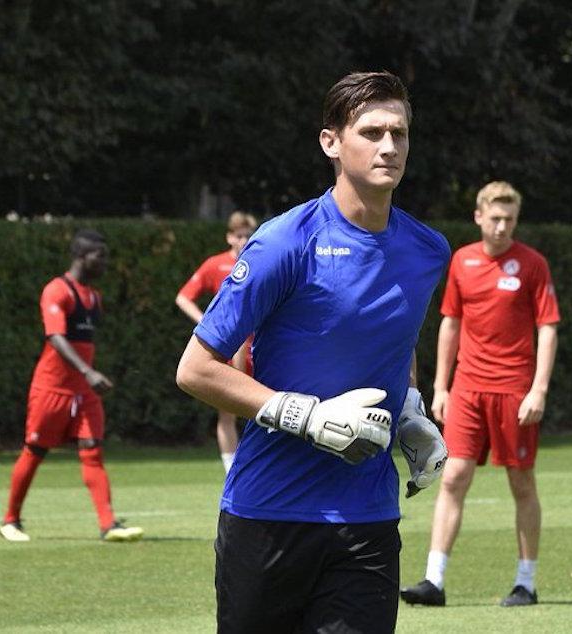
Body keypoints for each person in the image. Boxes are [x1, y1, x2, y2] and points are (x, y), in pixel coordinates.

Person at [175, 70, 449, 633]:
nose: (389, 146)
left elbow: (396, 340)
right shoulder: (284, 242)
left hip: (369, 519)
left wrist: (409, 408)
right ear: (331, 142)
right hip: (268, 515)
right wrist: (305, 415)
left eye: (399, 133)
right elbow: (196, 369)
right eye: (371, 132)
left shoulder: (428, 250)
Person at [401, 181, 560, 608]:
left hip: (515, 390)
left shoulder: (533, 264)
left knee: (521, 481)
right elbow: (451, 323)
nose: (502, 226)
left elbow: (547, 328)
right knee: (453, 476)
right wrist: (441, 387)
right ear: (478, 217)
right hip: (468, 389)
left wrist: (539, 389)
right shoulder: (462, 260)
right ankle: (433, 581)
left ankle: (526, 583)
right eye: (495, 218)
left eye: (510, 219)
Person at [0, 229, 143, 543]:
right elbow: (55, 337)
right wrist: (88, 372)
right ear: (80, 256)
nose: (105, 262)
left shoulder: (94, 297)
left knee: (93, 450)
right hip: (52, 388)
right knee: (35, 450)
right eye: (99, 256)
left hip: (84, 393)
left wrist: (88, 377)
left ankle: (108, 525)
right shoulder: (57, 290)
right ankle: (10, 520)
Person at [175, 211, 259, 473]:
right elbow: (183, 297)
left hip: (260, 346)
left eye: (248, 235)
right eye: (239, 236)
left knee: (266, 407)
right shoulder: (216, 264)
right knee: (227, 411)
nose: (243, 240)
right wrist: (208, 324)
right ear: (229, 237)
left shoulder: (262, 259)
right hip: (230, 348)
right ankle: (230, 470)